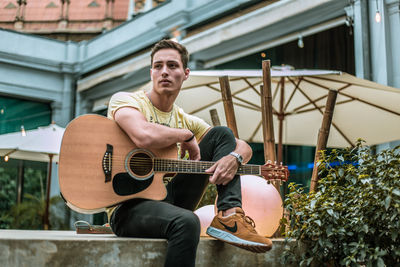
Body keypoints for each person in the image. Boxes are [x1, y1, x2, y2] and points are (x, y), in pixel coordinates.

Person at [106, 39, 272, 266]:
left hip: (167, 199)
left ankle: (229, 216)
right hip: (127, 208)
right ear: (151, 72)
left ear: (185, 74)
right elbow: (142, 135)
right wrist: (184, 135)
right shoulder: (126, 100)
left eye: (172, 66)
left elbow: (243, 146)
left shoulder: (183, 118)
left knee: (222, 134)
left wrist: (234, 158)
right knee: (188, 222)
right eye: (158, 66)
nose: (164, 72)